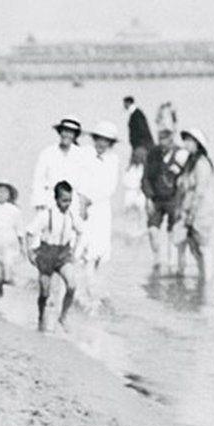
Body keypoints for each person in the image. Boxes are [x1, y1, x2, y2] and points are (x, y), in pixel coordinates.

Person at [27, 181, 82, 332]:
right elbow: (30, 232)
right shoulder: (46, 215)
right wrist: (30, 252)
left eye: (70, 200)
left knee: (72, 285)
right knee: (45, 292)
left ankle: (63, 317)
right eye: (64, 200)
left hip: (63, 254)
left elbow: (81, 231)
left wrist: (76, 250)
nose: (67, 204)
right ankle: (41, 316)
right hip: (46, 253)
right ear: (56, 199)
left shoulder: (72, 215)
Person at [79, 121, 120, 302]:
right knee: (80, 247)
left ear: (111, 143)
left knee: (99, 250)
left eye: (106, 140)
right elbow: (78, 178)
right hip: (81, 204)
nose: (101, 143)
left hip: (101, 208)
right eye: (99, 139)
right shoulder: (85, 154)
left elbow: (110, 187)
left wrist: (91, 199)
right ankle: (81, 291)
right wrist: (81, 200)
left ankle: (94, 292)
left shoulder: (113, 159)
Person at [141, 127, 187, 271]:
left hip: (174, 199)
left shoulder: (181, 154)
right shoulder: (153, 153)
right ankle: (157, 259)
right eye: (160, 140)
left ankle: (172, 264)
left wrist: (182, 202)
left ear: (172, 140)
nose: (162, 144)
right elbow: (145, 178)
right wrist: (148, 197)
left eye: (166, 140)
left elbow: (186, 180)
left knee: (173, 233)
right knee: (152, 231)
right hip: (156, 198)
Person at [177, 129, 214, 280]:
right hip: (188, 208)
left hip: (200, 211)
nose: (185, 143)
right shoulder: (189, 161)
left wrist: (192, 213)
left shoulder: (202, 164)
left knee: (202, 246)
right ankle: (200, 278)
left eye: (189, 140)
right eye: (185, 139)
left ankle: (206, 280)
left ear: (197, 144)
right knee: (192, 246)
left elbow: (200, 191)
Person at [30, 116, 89, 211]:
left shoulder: (81, 155)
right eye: (65, 131)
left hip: (72, 203)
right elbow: (38, 180)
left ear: (75, 135)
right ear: (60, 132)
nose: (67, 135)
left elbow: (84, 182)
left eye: (71, 132)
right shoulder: (47, 153)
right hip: (50, 201)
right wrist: (40, 204)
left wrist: (82, 206)